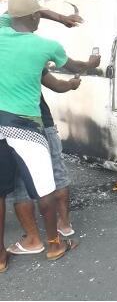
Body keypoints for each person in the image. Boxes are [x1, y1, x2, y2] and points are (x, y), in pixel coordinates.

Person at [0, 0, 99, 273]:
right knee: (45, 188)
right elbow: (73, 67)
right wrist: (90, 65)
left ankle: (1, 258)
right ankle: (55, 244)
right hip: (25, 127)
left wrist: (59, 18)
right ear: (34, 17)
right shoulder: (44, 46)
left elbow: (26, 12)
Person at [6, 71, 81, 255]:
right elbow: (57, 85)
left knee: (20, 183)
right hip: (43, 122)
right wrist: (73, 82)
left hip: (11, 127)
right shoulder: (30, 54)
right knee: (57, 173)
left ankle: (33, 239)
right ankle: (64, 225)